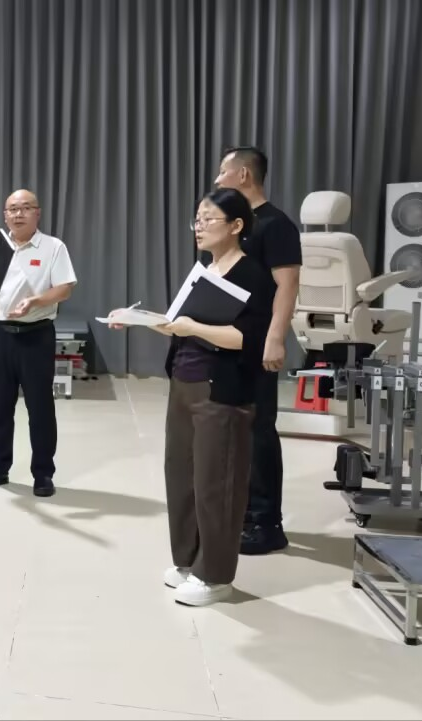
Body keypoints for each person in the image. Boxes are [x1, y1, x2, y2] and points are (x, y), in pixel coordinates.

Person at [110, 188, 273, 606]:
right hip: (185, 382)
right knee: (182, 476)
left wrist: (193, 328)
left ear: (236, 226)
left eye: (208, 219)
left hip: (223, 390)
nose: (198, 227)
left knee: (216, 483)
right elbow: (175, 322)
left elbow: (247, 339)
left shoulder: (252, 275)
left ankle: (215, 576)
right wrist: (136, 319)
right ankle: (187, 561)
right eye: (196, 220)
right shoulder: (204, 269)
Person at [213, 147, 301, 555]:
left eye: (223, 172)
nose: (218, 180)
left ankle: (267, 523)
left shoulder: (275, 225)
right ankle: (244, 514)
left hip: (258, 340)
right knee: (235, 428)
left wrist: (276, 337)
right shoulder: (235, 226)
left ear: (244, 175)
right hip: (229, 338)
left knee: (259, 429)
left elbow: (287, 285)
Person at [0, 189, 77, 497]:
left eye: (25, 208)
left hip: (36, 335)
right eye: (12, 209)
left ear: (37, 213)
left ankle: (43, 473)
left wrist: (35, 301)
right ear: (5, 215)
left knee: (40, 408)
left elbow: (65, 288)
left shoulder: (53, 247)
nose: (18, 214)